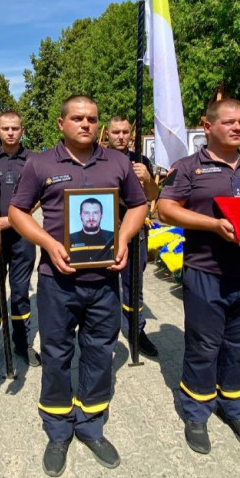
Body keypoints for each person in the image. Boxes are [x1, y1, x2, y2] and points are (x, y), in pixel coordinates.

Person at [8, 95, 147, 477]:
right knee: (56, 352)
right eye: (77, 118)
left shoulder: (117, 162)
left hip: (104, 281)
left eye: (91, 119)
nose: (85, 124)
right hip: (58, 282)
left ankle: (90, 423)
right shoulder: (40, 163)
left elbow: (139, 205)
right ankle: (57, 429)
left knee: (100, 351)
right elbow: (17, 212)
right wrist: (48, 243)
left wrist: (123, 239)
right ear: (61, 123)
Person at [156, 98, 240, 455]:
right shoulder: (188, 168)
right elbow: (165, 209)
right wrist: (212, 224)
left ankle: (234, 409)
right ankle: (196, 412)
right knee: (203, 347)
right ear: (208, 127)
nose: (238, 128)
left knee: (239, 348)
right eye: (229, 122)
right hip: (206, 273)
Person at [0, 111, 41, 372]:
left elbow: (40, 196)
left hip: (22, 236)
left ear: (22, 130)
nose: (10, 132)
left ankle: (22, 344)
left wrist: (13, 220)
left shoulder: (33, 160)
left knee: (20, 293)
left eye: (15, 128)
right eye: (5, 128)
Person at [106, 115, 160, 357]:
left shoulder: (141, 160)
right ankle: (105, 333)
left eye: (125, 132)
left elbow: (152, 195)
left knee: (133, 285)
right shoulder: (98, 159)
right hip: (105, 233)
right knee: (105, 286)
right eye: (116, 132)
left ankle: (135, 331)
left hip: (135, 234)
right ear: (107, 134)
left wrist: (146, 178)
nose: (121, 137)